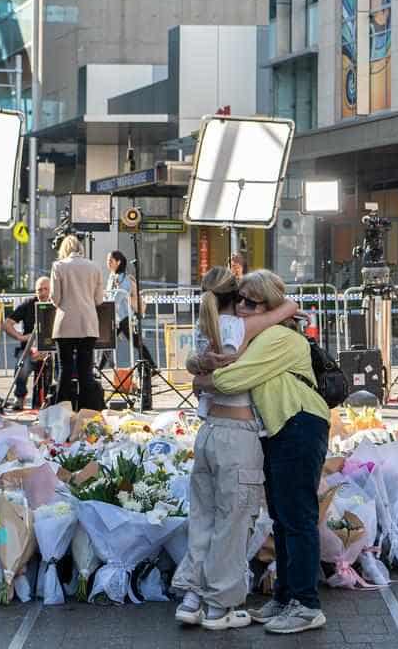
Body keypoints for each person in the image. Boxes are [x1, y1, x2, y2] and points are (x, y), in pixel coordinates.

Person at [196, 270, 330, 635]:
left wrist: (205, 378)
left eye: (250, 302)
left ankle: (305, 604)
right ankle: (286, 597)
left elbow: (230, 379)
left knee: (297, 518)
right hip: (281, 428)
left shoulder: (278, 338)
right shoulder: (261, 334)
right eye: (239, 299)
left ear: (268, 305)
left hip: (299, 425)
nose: (241, 307)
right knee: (284, 519)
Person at [173, 267, 298, 631]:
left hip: (209, 431)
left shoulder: (205, 329)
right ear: (235, 299)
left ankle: (192, 598)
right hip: (239, 434)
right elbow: (283, 309)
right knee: (233, 521)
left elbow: (197, 378)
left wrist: (198, 375)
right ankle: (219, 607)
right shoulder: (239, 328)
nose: (247, 305)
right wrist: (287, 307)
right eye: (243, 298)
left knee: (204, 519)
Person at [51, 235, 105, 411]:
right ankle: (86, 413)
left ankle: (62, 413)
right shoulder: (94, 267)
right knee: (86, 372)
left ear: (64, 250)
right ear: (80, 248)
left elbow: (55, 298)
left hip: (65, 324)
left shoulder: (58, 266)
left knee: (65, 370)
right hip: (88, 324)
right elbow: (98, 300)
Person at [3, 276, 54, 410]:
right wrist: (21, 337)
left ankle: (57, 399)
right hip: (30, 350)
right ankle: (19, 397)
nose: (42, 293)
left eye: (46, 289)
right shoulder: (28, 304)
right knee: (22, 367)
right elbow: (7, 324)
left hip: (53, 350)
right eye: (39, 290)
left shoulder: (58, 303)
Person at [102, 250, 156, 369]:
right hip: (116, 317)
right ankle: (98, 370)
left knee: (136, 343)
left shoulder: (124, 279)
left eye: (110, 260)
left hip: (125, 317)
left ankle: (152, 366)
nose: (108, 263)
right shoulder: (112, 277)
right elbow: (109, 295)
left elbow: (117, 298)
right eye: (107, 260)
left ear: (118, 262)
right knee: (107, 344)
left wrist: (105, 303)